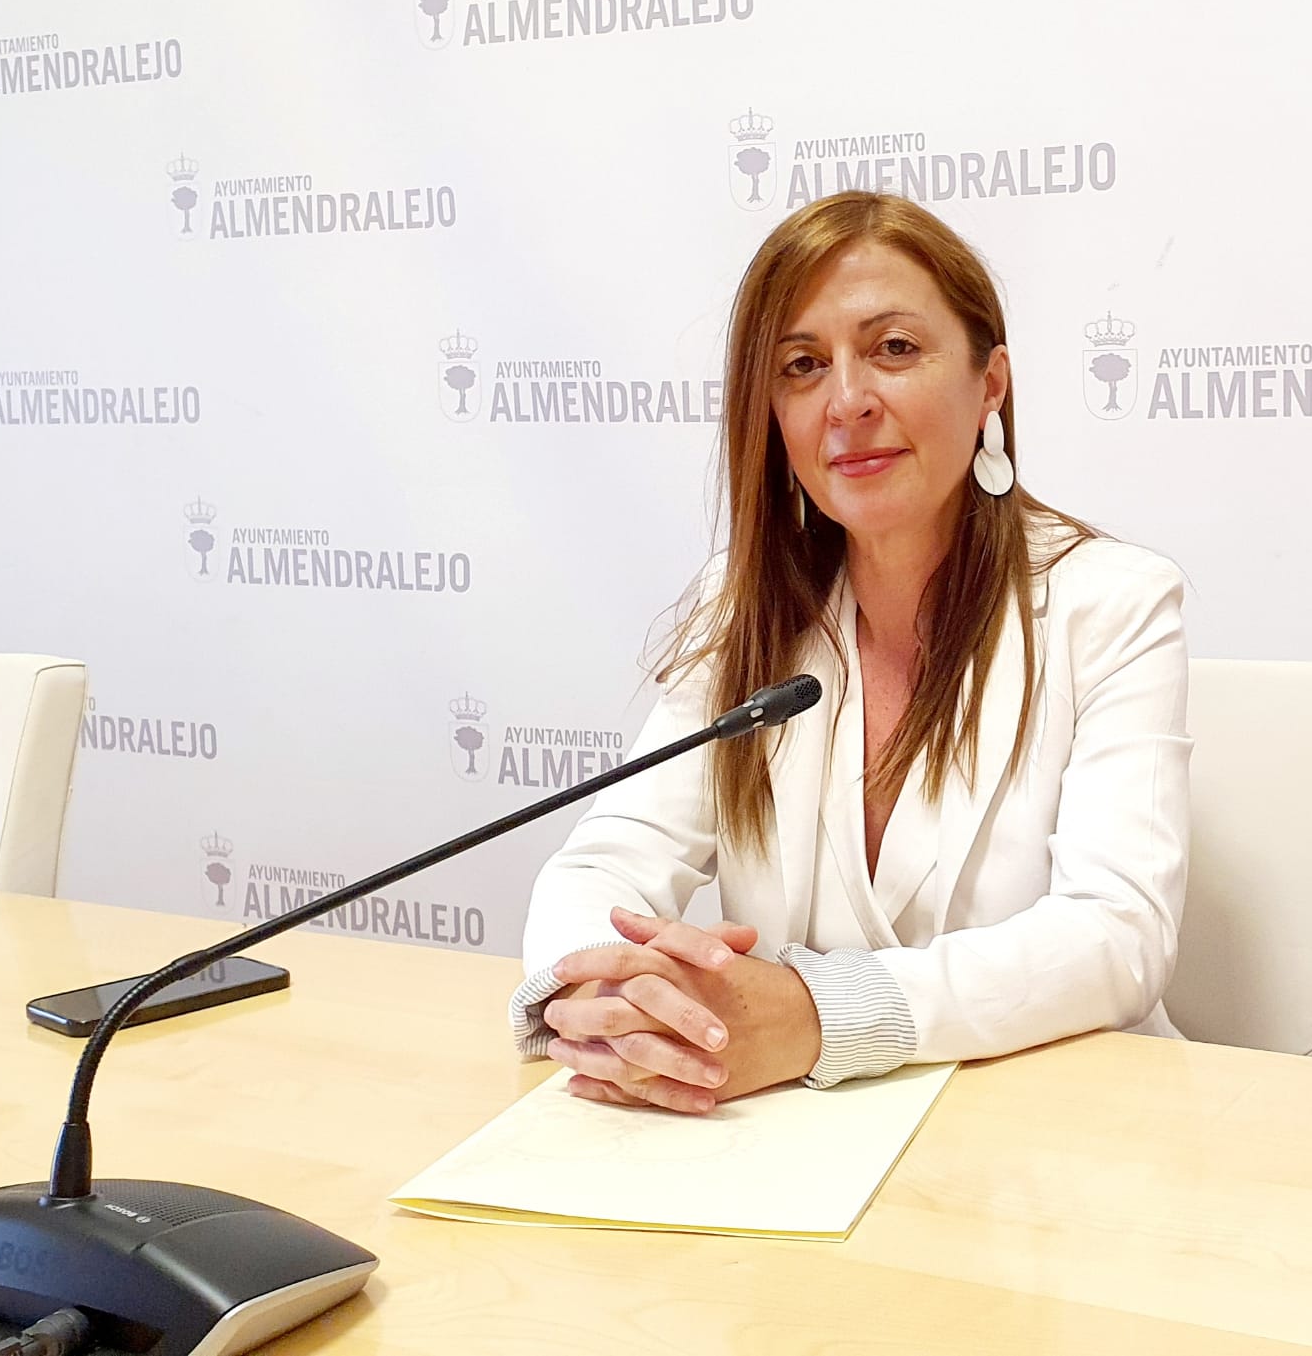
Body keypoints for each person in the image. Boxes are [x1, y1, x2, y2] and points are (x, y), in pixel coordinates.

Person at [510, 191, 1191, 1112]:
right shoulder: (740, 607)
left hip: (1054, 1135)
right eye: (802, 366)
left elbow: (1117, 936)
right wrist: (610, 997)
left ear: (990, 385)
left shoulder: (1113, 601)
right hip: (791, 1139)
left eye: (894, 349)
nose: (847, 401)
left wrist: (818, 1014)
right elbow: (608, 861)